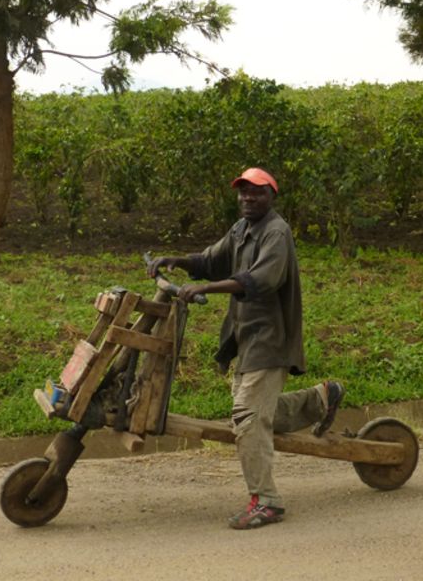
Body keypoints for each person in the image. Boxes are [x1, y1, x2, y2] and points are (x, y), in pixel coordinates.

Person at [147, 167, 345, 530]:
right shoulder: (241, 230)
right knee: (253, 413)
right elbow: (210, 260)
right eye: (243, 193)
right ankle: (321, 398)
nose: (248, 198)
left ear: (271, 196)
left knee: (248, 419)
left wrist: (206, 290)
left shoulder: (276, 233)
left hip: (270, 336)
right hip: (246, 336)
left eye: (256, 193)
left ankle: (267, 502)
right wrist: (178, 260)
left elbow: (262, 280)